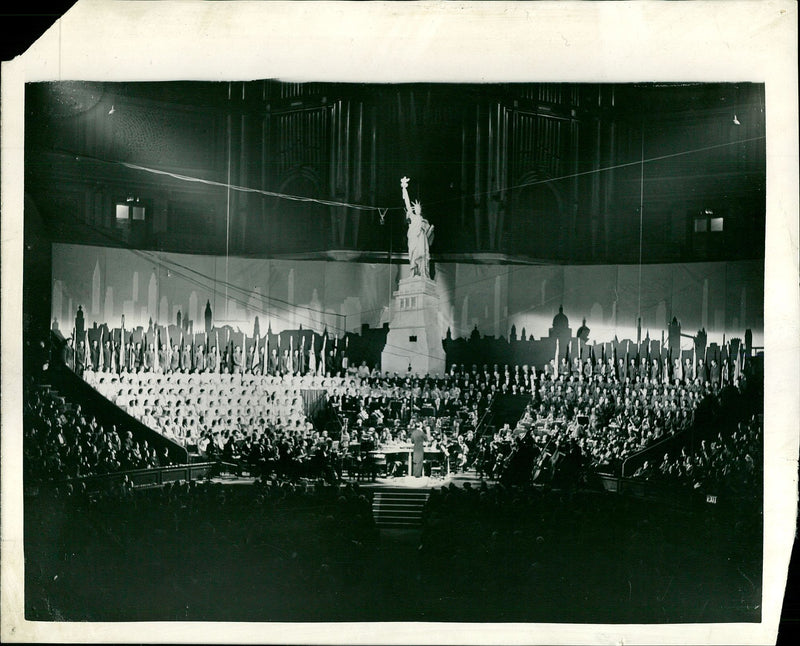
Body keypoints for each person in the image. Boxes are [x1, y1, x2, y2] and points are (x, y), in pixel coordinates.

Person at [401, 176, 434, 279]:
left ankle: (423, 273)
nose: (417, 209)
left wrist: (430, 229)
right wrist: (404, 188)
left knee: (423, 255)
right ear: (414, 209)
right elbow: (407, 202)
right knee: (413, 255)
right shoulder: (413, 217)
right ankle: (413, 273)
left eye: (419, 208)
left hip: (421, 240)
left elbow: (429, 233)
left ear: (421, 210)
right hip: (413, 239)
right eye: (416, 208)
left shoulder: (424, 221)